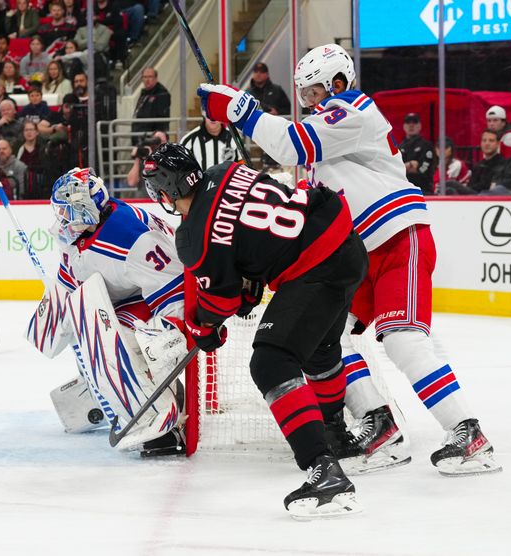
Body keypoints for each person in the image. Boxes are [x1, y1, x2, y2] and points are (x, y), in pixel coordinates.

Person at [197, 43, 501, 476]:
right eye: (304, 95)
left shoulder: (354, 109)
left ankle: (468, 433)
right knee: (326, 340)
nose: (311, 102)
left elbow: (291, 144)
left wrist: (241, 109)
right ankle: (380, 426)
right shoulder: (325, 146)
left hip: (399, 238)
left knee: (402, 339)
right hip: (356, 255)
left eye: (316, 90)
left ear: (339, 83)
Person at [143, 143, 367, 517]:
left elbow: (223, 301)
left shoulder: (192, 237)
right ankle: (334, 433)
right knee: (318, 350)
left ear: (163, 191)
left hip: (316, 266)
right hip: (345, 243)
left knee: (270, 362)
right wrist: (252, 277)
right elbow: (252, 233)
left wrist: (204, 330)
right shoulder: (224, 170)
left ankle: (324, 470)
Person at [29, 166, 189, 456]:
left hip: (151, 300)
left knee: (113, 341)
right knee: (84, 326)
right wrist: (51, 322)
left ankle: (159, 418)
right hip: (126, 297)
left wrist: (172, 329)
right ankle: (113, 396)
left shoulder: (130, 238)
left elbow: (175, 283)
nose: (61, 219)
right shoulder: (80, 231)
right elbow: (72, 282)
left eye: (65, 212)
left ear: (84, 209)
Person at [399, 113, 435, 195]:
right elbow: (395, 170)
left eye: (414, 122)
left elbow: (423, 170)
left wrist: (405, 168)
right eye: (408, 122)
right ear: (404, 126)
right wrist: (410, 164)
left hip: (423, 191)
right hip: (403, 190)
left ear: (419, 126)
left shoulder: (426, 145)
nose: (411, 125)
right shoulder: (399, 147)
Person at [132, 67, 170, 134]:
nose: (147, 80)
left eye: (150, 77)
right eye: (145, 77)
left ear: (155, 78)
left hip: (152, 137)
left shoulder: (162, 94)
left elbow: (161, 119)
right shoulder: (144, 93)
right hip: (139, 135)